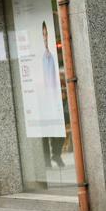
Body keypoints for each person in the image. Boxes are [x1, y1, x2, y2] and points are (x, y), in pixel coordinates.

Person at [41, 21, 65, 168]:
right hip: (44, 99)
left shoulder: (53, 56)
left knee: (60, 127)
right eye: (43, 34)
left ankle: (56, 154)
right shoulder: (41, 57)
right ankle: (46, 159)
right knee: (44, 131)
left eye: (46, 34)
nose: (45, 37)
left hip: (55, 99)